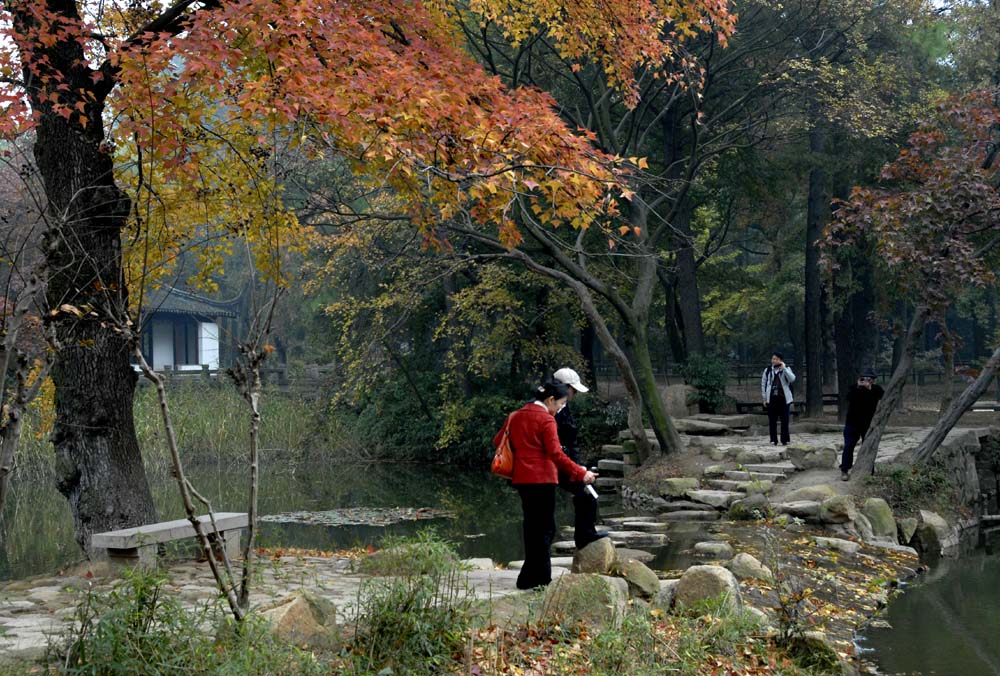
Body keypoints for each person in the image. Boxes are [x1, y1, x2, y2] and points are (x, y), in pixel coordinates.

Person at [495, 381, 598, 590]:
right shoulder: (546, 419)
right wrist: (581, 473)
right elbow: (556, 454)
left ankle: (527, 578)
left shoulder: (515, 415)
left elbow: (498, 439)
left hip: (522, 479)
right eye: (560, 403)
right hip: (542, 479)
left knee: (531, 527)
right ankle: (541, 579)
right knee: (545, 529)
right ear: (550, 400)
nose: (560, 408)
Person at [552, 367, 608, 550]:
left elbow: (570, 441)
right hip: (553, 464)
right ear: (564, 387)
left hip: (564, 461)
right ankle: (585, 534)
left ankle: (585, 534)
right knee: (585, 490)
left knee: (586, 490)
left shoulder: (564, 408)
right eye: (573, 389)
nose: (574, 393)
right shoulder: (550, 409)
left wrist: (579, 466)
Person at [839, 367, 885, 481]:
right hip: (852, 422)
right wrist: (859, 387)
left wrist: (869, 389)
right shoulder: (854, 388)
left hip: (868, 424)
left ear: (873, 380)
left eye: (869, 379)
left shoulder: (876, 389)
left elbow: (882, 398)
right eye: (864, 378)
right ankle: (845, 470)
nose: (866, 381)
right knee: (849, 446)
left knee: (868, 446)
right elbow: (849, 398)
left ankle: (870, 470)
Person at [761, 352, 796, 445]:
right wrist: (764, 398)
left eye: (776, 359)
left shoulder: (786, 369)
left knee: (785, 420)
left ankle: (785, 439)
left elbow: (792, 379)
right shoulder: (768, 370)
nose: (774, 361)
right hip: (772, 398)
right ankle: (773, 439)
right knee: (772, 421)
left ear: (781, 360)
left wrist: (784, 368)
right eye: (773, 359)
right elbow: (763, 384)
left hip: (784, 399)